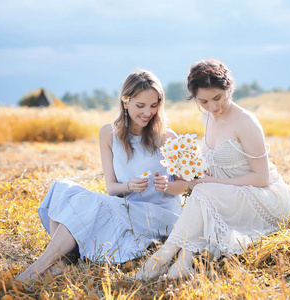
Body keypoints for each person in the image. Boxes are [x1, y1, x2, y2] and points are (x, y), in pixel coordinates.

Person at [17, 69, 188, 281]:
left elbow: (185, 185)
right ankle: (62, 260)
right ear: (125, 102)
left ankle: (36, 269)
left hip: (158, 214)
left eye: (154, 106)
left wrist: (167, 186)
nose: (148, 112)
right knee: (62, 188)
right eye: (140, 106)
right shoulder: (108, 133)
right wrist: (130, 186)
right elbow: (112, 188)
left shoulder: (168, 137)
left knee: (91, 204)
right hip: (124, 206)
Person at [135, 59, 290, 280]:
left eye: (218, 98)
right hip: (224, 194)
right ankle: (182, 263)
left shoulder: (245, 121)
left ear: (229, 87)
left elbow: (261, 178)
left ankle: (164, 256)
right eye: (204, 101)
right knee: (201, 194)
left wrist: (210, 184)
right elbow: (216, 166)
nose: (213, 107)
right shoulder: (207, 117)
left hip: (261, 196)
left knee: (203, 193)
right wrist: (196, 174)